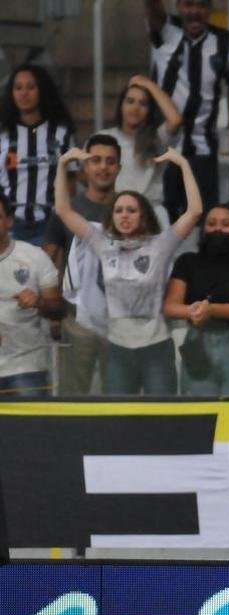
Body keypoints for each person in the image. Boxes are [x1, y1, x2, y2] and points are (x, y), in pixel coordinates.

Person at [53, 146, 202, 395]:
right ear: (111, 216)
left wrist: (183, 164)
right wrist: (61, 165)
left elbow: (195, 211)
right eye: (118, 210)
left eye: (131, 210)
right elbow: (63, 210)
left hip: (156, 346)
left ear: (143, 216)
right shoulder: (103, 244)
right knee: (119, 417)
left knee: (162, 416)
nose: (124, 216)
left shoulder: (160, 245)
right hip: (117, 349)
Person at [146, 0, 229, 216]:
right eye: (188, 5)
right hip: (163, 147)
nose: (194, 11)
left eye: (201, 5)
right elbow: (153, 10)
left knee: (203, 216)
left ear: (210, 10)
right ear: (178, 7)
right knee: (164, 216)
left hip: (204, 148)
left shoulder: (225, 42)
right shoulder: (166, 30)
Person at [43, 134, 122, 395]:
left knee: (121, 401)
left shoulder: (132, 208)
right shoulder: (67, 209)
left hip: (121, 322)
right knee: (72, 400)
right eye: (96, 160)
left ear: (119, 168)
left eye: (110, 161)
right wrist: (55, 311)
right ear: (85, 167)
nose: (103, 167)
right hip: (77, 320)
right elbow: (48, 260)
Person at [164, 203, 229, 396]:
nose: (218, 229)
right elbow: (170, 306)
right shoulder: (187, 261)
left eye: (226, 224)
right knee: (201, 411)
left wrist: (210, 310)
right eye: (211, 224)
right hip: (198, 342)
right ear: (203, 231)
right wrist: (196, 311)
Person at [0, 64, 74, 246]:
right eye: (18, 88)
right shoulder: (3, 134)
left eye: (31, 87)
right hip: (11, 225)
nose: (24, 93)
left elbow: (71, 182)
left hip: (50, 224)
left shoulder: (62, 133)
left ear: (42, 90)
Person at [0, 193, 62, 397]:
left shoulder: (34, 257)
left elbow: (58, 311)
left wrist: (39, 302)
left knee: (33, 419)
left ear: (9, 221)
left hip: (26, 365)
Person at [98, 75, 183, 207]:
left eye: (143, 103)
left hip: (151, 210)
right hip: (115, 210)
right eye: (130, 101)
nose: (135, 108)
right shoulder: (103, 138)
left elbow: (175, 120)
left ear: (150, 110)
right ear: (121, 105)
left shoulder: (157, 138)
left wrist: (148, 84)